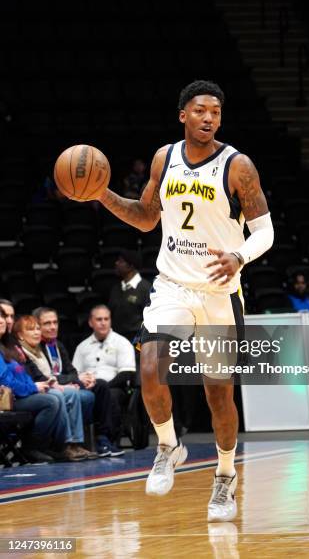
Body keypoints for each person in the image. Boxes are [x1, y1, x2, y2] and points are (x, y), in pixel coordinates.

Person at [90, 80, 274, 522]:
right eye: (200, 111)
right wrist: (101, 193)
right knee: (150, 367)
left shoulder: (238, 166)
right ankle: (169, 446)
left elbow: (265, 231)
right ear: (183, 115)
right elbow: (147, 217)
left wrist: (238, 255)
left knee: (218, 396)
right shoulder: (164, 157)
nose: (208, 118)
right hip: (172, 284)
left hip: (218, 293)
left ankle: (225, 476)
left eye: (215, 112)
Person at [32, 306, 119, 457]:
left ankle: (103, 439)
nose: (53, 327)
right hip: (52, 387)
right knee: (77, 394)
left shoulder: (57, 344)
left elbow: (71, 370)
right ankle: (70, 444)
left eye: (55, 322)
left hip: (67, 385)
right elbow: (44, 376)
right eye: (47, 323)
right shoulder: (36, 346)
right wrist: (74, 380)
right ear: (37, 326)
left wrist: (83, 380)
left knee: (101, 386)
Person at [13, 315, 98, 460]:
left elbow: (51, 373)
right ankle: (63, 445)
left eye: (37, 329)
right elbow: (35, 376)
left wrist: (59, 383)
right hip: (30, 391)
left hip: (43, 386)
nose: (36, 332)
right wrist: (56, 384)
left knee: (74, 392)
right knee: (60, 395)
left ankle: (75, 443)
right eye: (31, 329)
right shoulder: (21, 352)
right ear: (20, 335)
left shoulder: (38, 349)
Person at [73, 305, 136, 453]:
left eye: (106, 319)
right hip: (88, 387)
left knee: (109, 394)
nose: (103, 322)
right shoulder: (82, 347)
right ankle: (77, 443)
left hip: (115, 387)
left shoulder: (122, 342)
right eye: (99, 319)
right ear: (90, 323)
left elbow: (127, 373)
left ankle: (106, 438)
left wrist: (104, 387)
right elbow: (75, 373)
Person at [108, 249, 151, 341]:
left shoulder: (145, 289)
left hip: (137, 341)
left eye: (121, 261)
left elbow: (152, 320)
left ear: (130, 266)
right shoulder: (116, 288)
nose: (116, 263)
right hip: (117, 339)